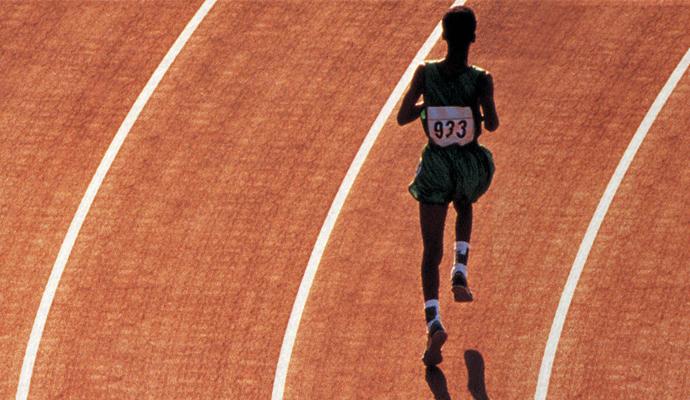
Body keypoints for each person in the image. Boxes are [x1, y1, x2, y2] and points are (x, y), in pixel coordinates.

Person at [396, 5, 499, 366]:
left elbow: (402, 116)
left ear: (442, 35)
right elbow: (493, 125)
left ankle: (433, 320)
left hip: (437, 165)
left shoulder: (426, 73)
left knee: (428, 252)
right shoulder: (481, 78)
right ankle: (461, 268)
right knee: (465, 202)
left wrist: (431, 106)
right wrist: (475, 107)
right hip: (468, 163)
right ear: (473, 38)